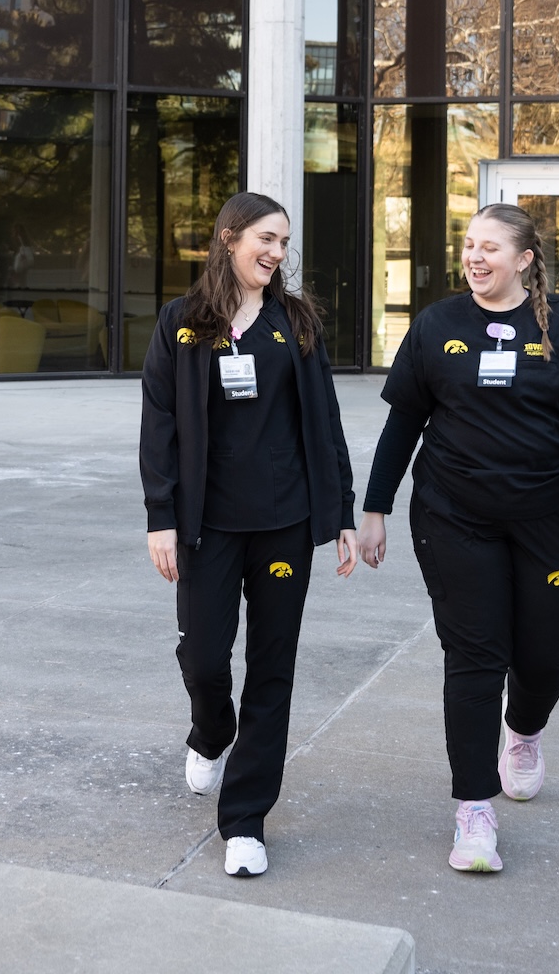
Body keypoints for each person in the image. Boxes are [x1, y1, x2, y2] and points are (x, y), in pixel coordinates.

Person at [357, 203, 559, 874]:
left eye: (490, 248)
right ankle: (474, 808)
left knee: (545, 656)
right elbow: (404, 422)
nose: (474, 257)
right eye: (469, 244)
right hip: (453, 515)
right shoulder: (438, 324)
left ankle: (523, 731)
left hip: (549, 517)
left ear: (525, 260)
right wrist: (375, 507)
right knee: (475, 656)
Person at [139, 191, 359, 880]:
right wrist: (161, 516)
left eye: (284, 242)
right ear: (229, 238)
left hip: (282, 524)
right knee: (206, 661)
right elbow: (159, 424)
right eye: (267, 238)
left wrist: (341, 512)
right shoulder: (182, 323)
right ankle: (212, 731)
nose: (277, 253)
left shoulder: (295, 322)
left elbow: (325, 420)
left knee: (272, 667)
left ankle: (245, 820)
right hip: (206, 526)